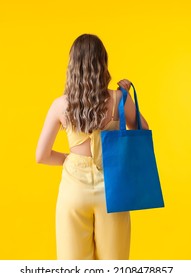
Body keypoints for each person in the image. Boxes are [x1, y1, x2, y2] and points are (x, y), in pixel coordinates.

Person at [35, 33, 149, 260]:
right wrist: (127, 97)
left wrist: (70, 159)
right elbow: (143, 132)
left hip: (73, 192)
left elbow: (41, 156)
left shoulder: (60, 105)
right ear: (102, 63)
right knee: (113, 267)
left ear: (72, 65)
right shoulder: (118, 98)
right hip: (113, 192)